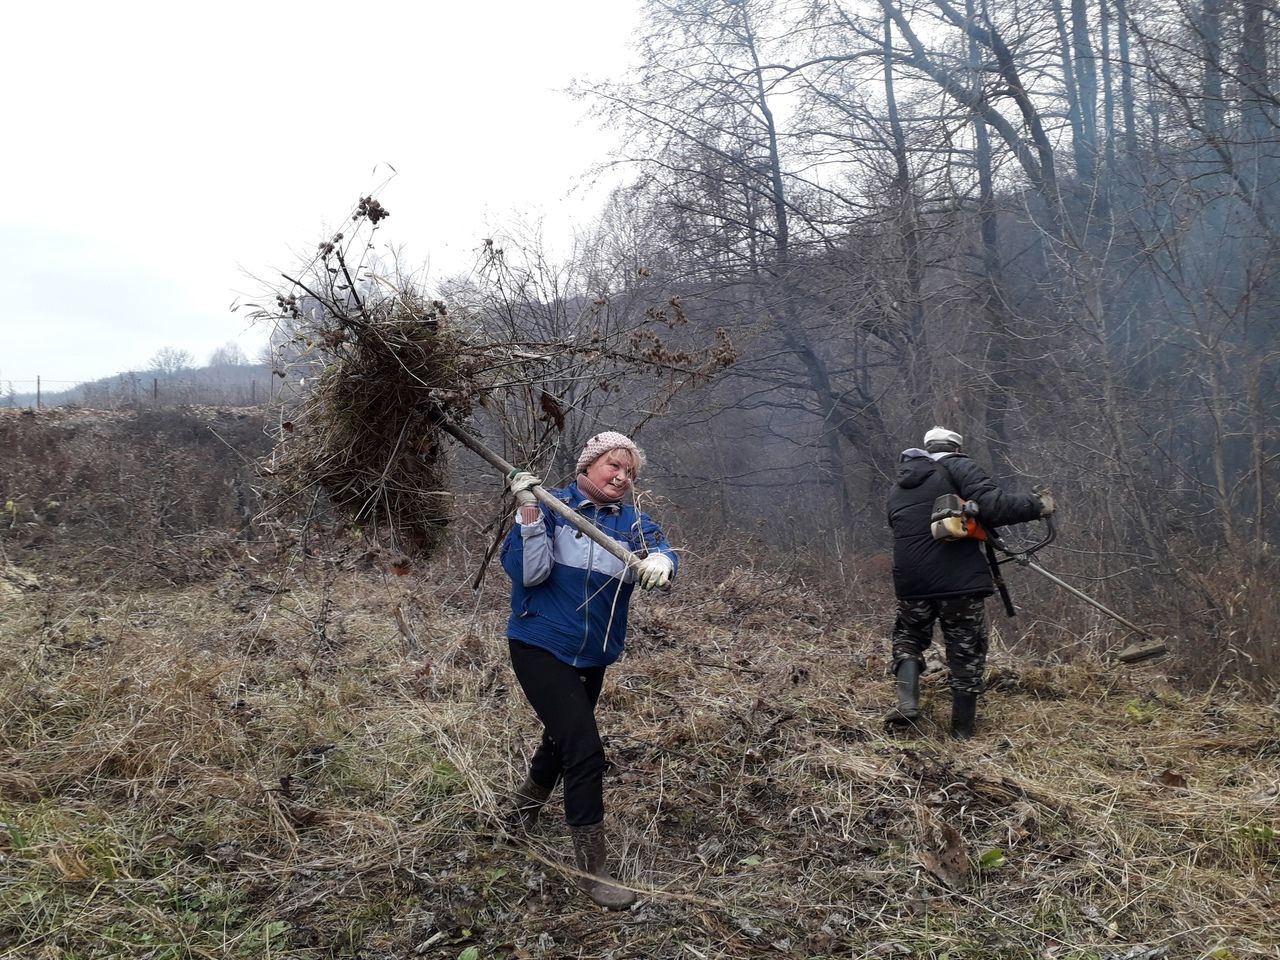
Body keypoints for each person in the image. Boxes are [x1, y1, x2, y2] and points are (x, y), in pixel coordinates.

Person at [499, 431, 677, 910]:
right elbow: (528, 575)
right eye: (613, 466)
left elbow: (665, 552)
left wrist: (660, 562)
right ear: (589, 465)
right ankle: (592, 870)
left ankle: (517, 819)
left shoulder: (635, 527)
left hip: (593, 655)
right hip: (540, 645)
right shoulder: (551, 507)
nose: (622, 477)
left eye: (630, 472)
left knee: (559, 742)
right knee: (584, 750)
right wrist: (530, 514)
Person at [885, 426, 1054, 739]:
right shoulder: (958, 466)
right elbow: (993, 506)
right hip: (957, 580)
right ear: (956, 449)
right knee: (965, 647)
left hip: (910, 580)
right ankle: (961, 735)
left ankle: (907, 702)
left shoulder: (898, 485)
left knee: (908, 636)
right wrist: (1037, 506)